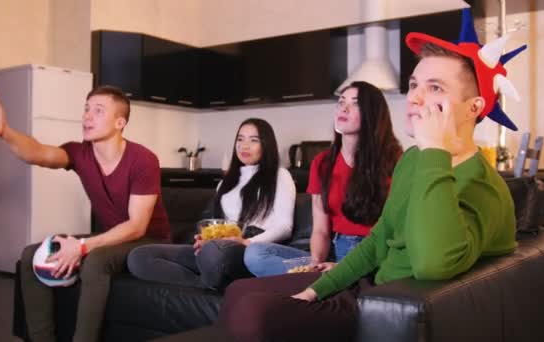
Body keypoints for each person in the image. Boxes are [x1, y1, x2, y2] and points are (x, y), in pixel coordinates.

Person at [217, 8, 523, 342]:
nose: (414, 98)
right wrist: (321, 287)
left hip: (389, 304)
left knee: (252, 313)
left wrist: (436, 150)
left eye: (435, 88)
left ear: (474, 108)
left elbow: (433, 265)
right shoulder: (412, 160)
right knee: (238, 292)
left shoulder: (483, 186)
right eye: (414, 84)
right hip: (370, 285)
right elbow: (379, 238)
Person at [0, 85, 170, 342]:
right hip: (114, 237)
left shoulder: (143, 159)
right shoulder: (80, 153)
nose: (87, 116)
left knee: (96, 262)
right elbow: (37, 153)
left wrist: (83, 246)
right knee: (31, 255)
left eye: (98, 110)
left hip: (150, 242)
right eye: (86, 109)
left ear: (120, 122)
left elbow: (137, 226)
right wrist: (5, 132)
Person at [244, 81, 402, 277]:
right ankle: (319, 278)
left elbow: (396, 231)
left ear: (372, 114)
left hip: (372, 255)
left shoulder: (395, 161)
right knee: (255, 253)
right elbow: (320, 230)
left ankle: (334, 279)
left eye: (355, 103)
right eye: (342, 101)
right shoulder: (322, 163)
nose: (344, 107)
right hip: (334, 251)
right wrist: (315, 262)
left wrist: (349, 266)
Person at [127, 118, 296, 289]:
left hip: (250, 249)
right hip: (219, 248)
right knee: (140, 256)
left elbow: (284, 227)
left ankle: (213, 273)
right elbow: (219, 224)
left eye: (254, 140)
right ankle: (204, 284)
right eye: (240, 139)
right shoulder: (226, 182)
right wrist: (206, 239)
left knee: (214, 252)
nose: (244, 146)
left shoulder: (279, 176)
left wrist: (245, 243)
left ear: (266, 145)